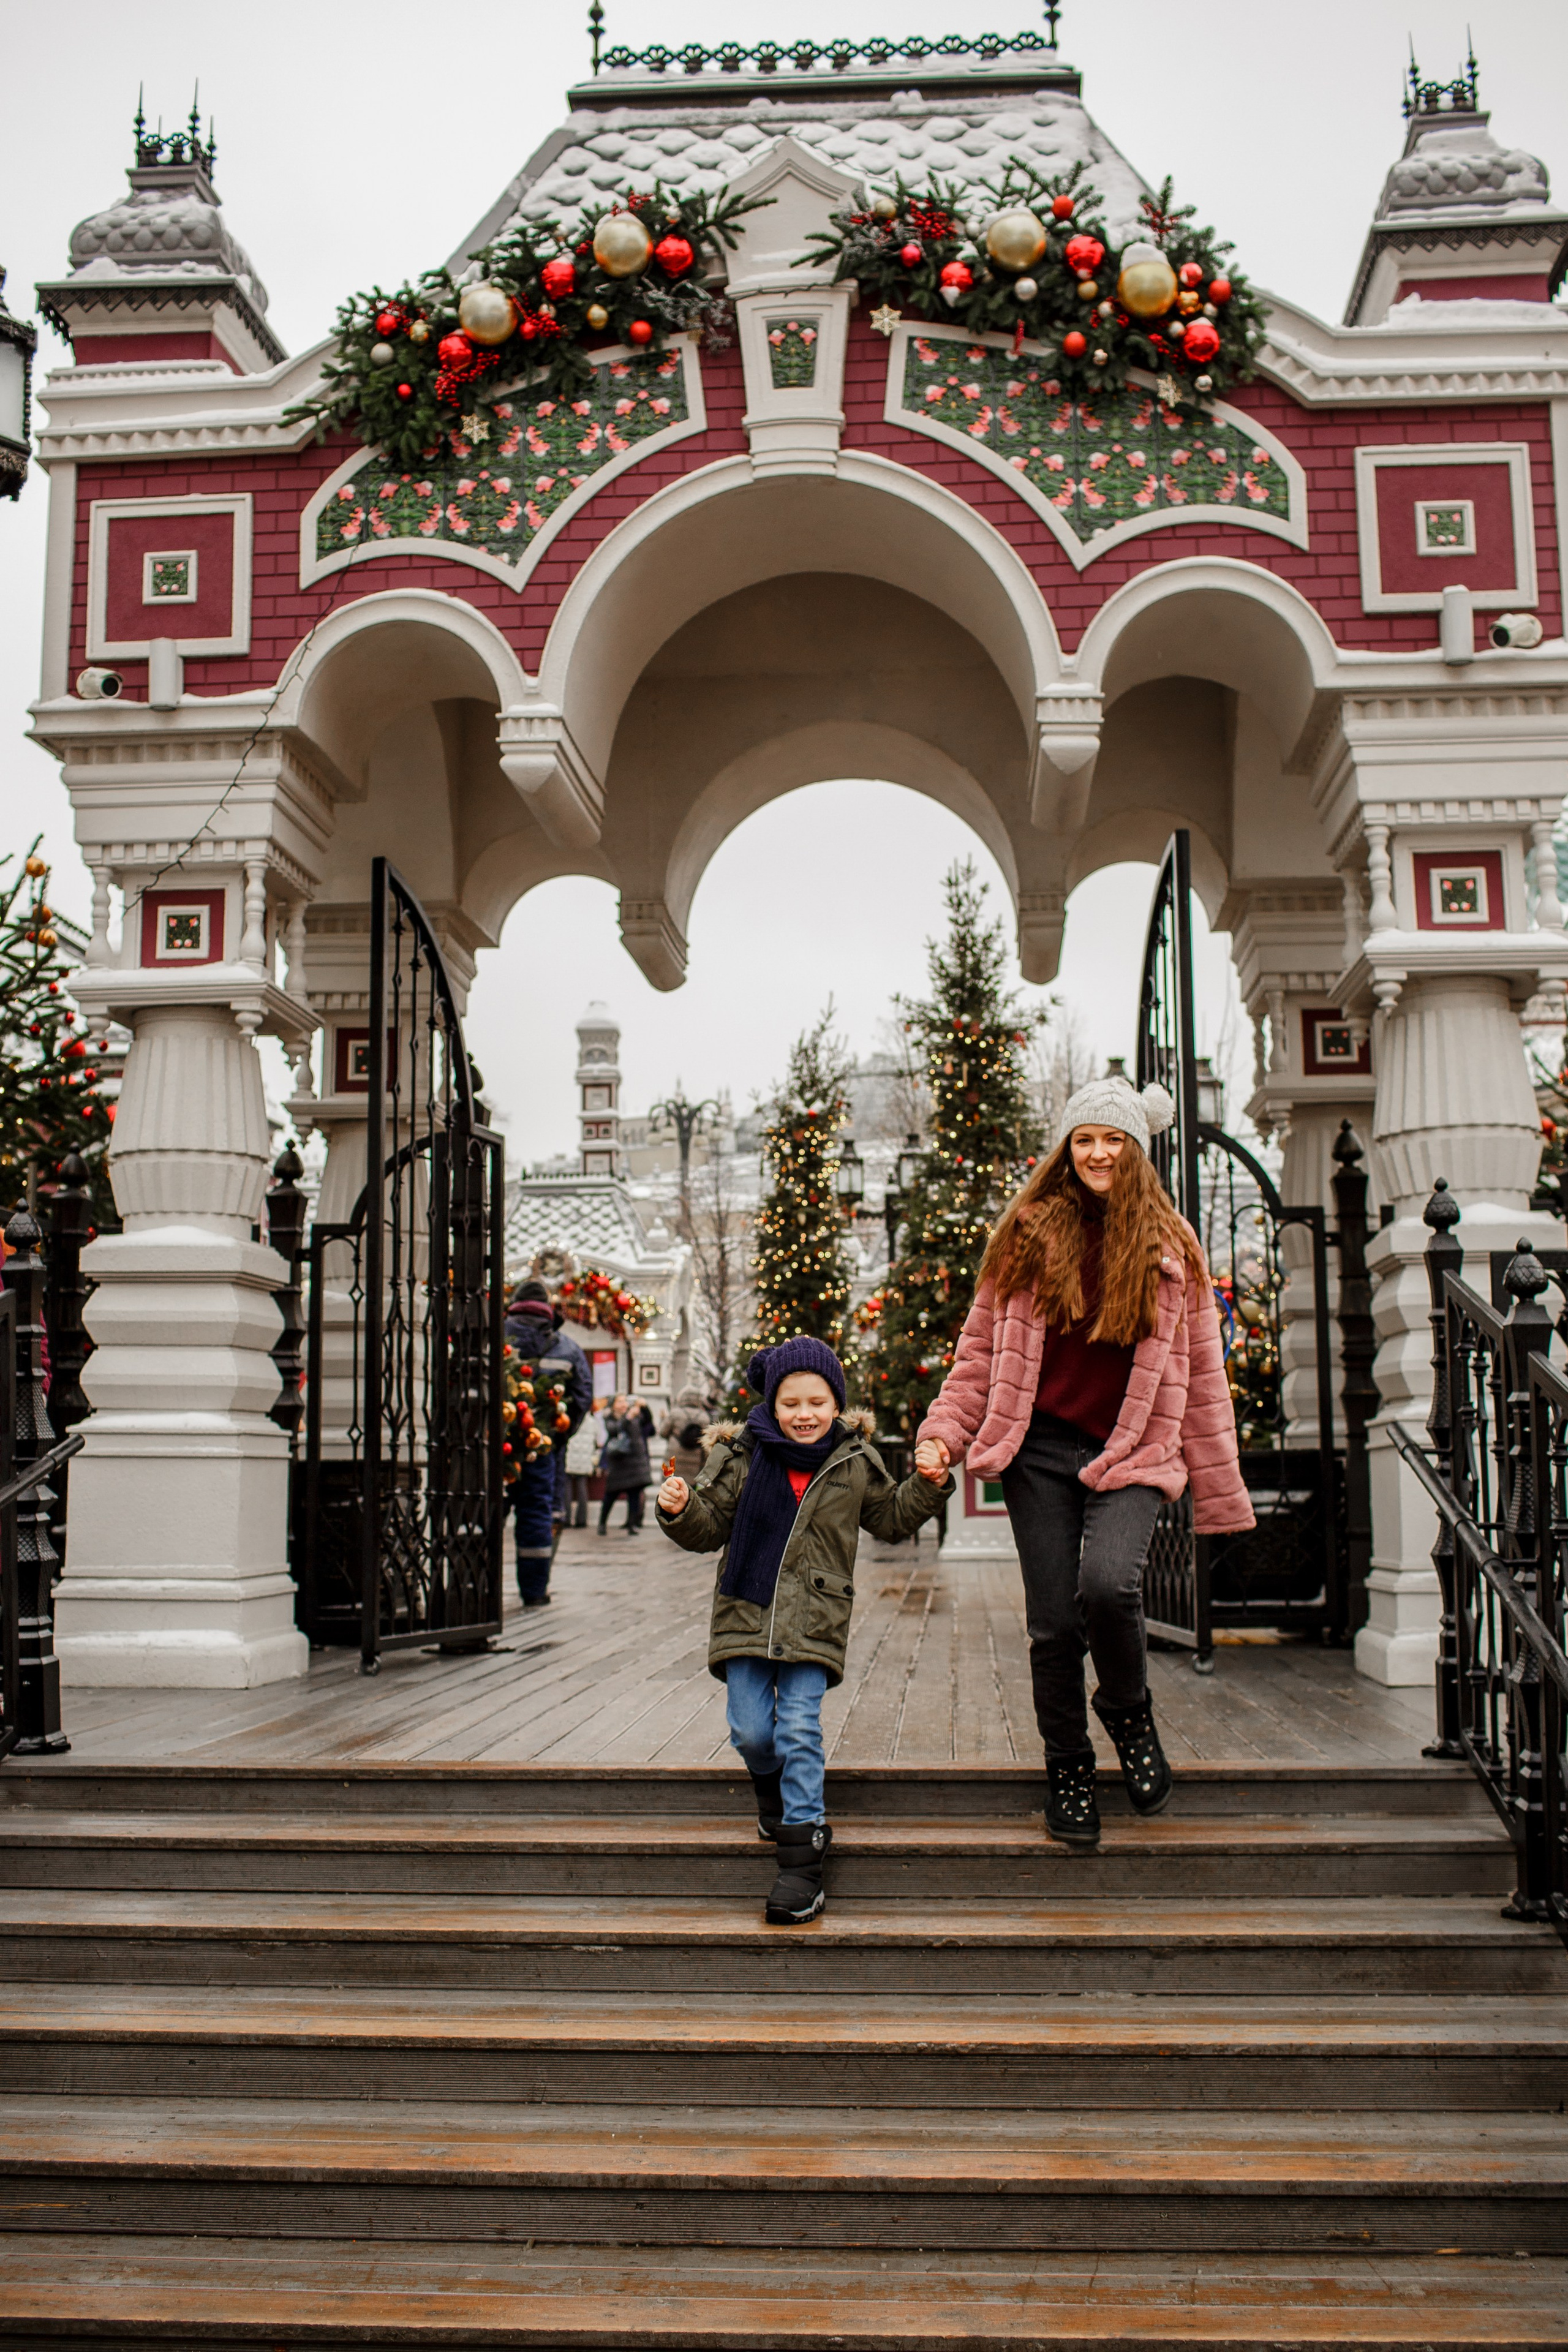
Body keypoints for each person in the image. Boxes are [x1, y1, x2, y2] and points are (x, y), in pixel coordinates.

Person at [914, 1077, 1254, 1852]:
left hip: (1135, 1450)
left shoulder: (1176, 1250)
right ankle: (1067, 1768)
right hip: (1037, 1453)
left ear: (1136, 1150)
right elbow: (977, 1359)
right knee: (1052, 1624)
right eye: (1084, 1139)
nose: (1098, 1153)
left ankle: (1128, 1713)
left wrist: (1221, 1492)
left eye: (1113, 1139)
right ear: (1065, 1151)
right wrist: (944, 1434)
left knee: (1108, 1585)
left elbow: (1204, 1378)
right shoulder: (1024, 1239)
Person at [657, 1335, 950, 1926]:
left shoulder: (853, 1459)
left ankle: (802, 1862)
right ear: (772, 1404)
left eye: (818, 1402)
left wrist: (927, 1484)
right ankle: (772, 1797)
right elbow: (710, 1525)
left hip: (815, 1619)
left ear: (837, 1404)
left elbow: (891, 1518)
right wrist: (680, 1507)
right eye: (792, 1403)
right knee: (750, 1731)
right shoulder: (739, 1454)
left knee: (796, 1729)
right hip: (747, 1611)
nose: (806, 1415)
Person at [505, 1280, 591, 1604]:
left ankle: (476, 1591)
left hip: (497, 1447)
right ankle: (535, 1591)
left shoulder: (494, 1337)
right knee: (538, 1513)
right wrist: (557, 1436)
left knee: (488, 1510)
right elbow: (582, 1398)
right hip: (542, 1448)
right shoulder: (567, 1348)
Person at [598, 1393, 654, 1534]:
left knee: (634, 1494)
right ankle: (602, 1523)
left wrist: (645, 1407)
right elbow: (615, 1430)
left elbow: (648, 1422)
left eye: (625, 1401)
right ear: (613, 1405)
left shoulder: (635, 1415)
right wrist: (628, 1418)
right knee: (611, 1495)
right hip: (619, 1463)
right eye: (620, 1402)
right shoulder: (610, 1418)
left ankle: (632, 1524)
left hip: (635, 1462)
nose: (623, 1404)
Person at [660, 1385, 709, 1486]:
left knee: (671, 1492)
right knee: (687, 1493)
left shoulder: (675, 1413)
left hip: (675, 1456)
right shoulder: (705, 1417)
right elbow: (707, 1442)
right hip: (695, 1459)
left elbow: (663, 1433)